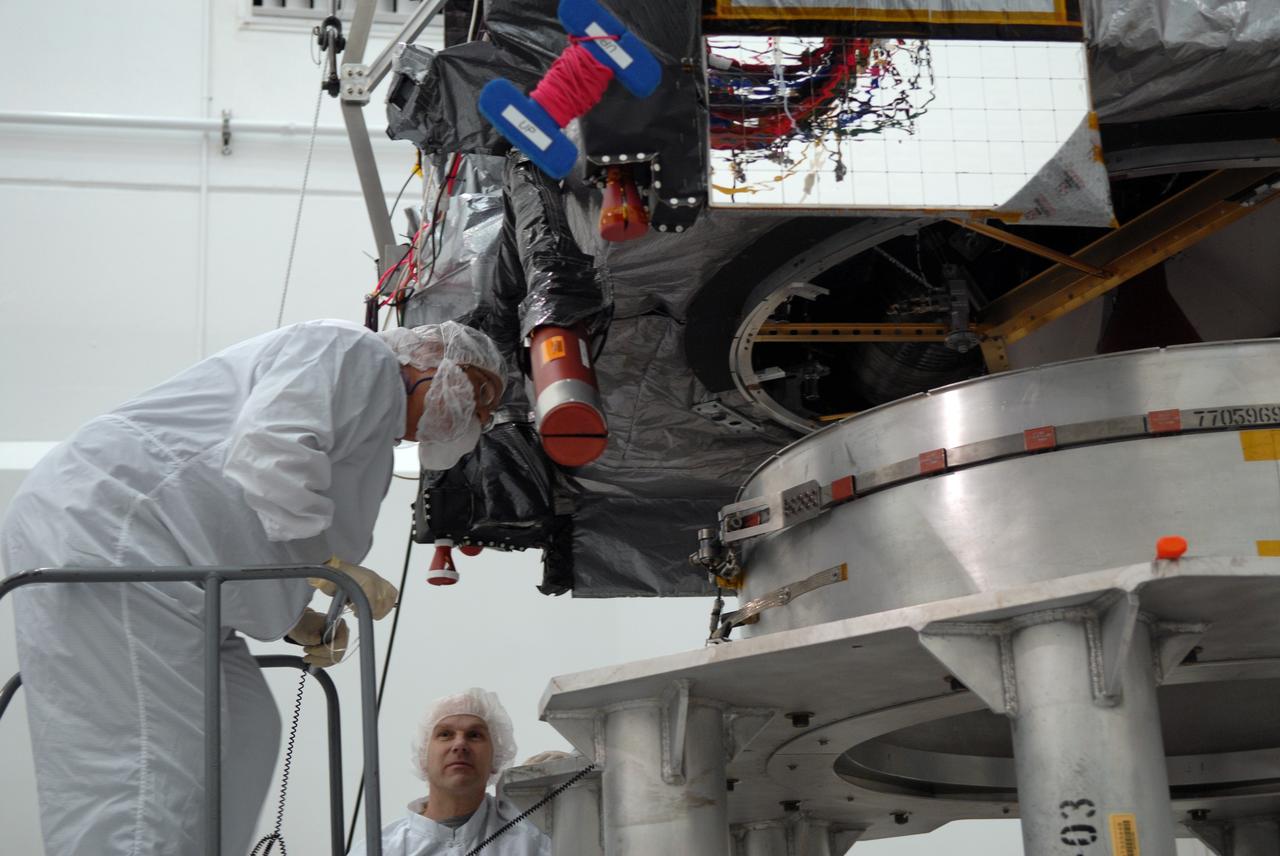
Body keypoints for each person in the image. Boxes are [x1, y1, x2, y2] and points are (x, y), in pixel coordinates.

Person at [0, 319, 505, 856]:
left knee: (247, 729)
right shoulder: (354, 353)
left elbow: (245, 517)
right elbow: (271, 451)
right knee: (147, 767)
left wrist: (293, 616)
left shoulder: (373, 422)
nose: (474, 415)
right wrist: (326, 566)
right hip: (115, 537)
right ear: (429, 358)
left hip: (177, 571)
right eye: (473, 391)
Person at [353, 688, 550, 856]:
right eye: (445, 734)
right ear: (423, 758)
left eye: (474, 735)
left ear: (496, 757)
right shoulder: (381, 850)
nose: (460, 744)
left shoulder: (533, 838)